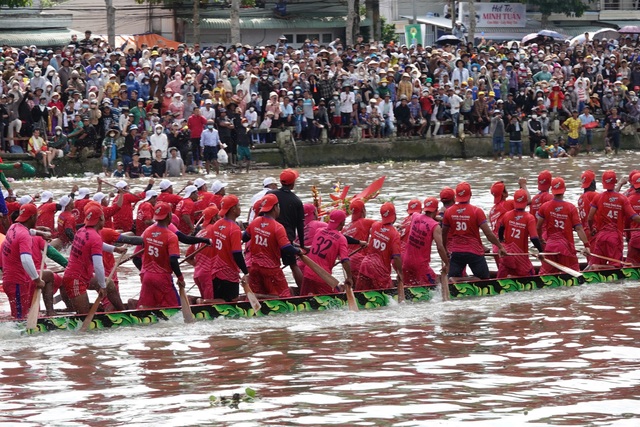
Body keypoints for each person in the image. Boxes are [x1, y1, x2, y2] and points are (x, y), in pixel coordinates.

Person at [62, 205, 126, 314]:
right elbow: (98, 266)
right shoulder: (95, 237)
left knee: (109, 283)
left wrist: (115, 249)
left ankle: (124, 312)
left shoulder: (82, 230)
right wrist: (102, 286)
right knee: (83, 316)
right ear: (101, 218)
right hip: (75, 279)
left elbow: (96, 244)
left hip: (83, 276)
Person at [442, 182, 506, 280]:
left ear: (457, 196)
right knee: (484, 279)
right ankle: (463, 279)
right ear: (470, 194)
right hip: (474, 251)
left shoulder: (448, 212)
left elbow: (444, 234)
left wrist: (445, 250)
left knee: (452, 278)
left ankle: (455, 279)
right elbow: (488, 234)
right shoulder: (476, 211)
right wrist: (500, 247)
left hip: (456, 251)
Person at [244, 194, 303, 298]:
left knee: (264, 294)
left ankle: (257, 296)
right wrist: (298, 251)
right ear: (276, 207)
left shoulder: (255, 222)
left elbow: (245, 237)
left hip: (254, 268)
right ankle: (258, 296)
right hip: (271, 270)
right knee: (284, 297)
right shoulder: (278, 227)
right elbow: (286, 248)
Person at [536, 177, 591, 274]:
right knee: (573, 275)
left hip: (550, 247)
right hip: (566, 248)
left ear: (552, 190)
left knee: (545, 275)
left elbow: (538, 227)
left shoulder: (545, 206)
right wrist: (586, 245)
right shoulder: (571, 208)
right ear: (564, 190)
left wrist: (540, 238)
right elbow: (578, 228)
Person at [587, 170, 640, 267]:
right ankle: (597, 267)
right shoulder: (622, 199)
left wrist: (592, 229)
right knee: (616, 266)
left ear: (603, 183)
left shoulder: (598, 197)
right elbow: (634, 217)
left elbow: (590, 218)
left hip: (601, 237)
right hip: (615, 237)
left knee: (595, 262)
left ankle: (595, 266)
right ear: (615, 182)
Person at [138, 202, 185, 308]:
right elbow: (173, 260)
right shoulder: (171, 236)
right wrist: (180, 277)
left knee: (146, 308)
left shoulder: (147, 231)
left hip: (146, 276)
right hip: (162, 278)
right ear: (169, 216)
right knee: (176, 310)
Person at [1, 204, 45, 319]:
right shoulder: (24, 236)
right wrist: (37, 279)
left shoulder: (14, 227)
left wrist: (41, 233)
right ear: (32, 217)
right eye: (36, 216)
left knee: (20, 315)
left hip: (10, 280)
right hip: (17, 283)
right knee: (20, 319)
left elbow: (27, 231)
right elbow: (26, 260)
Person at [268, 169, 305, 288]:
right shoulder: (296, 201)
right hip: (286, 239)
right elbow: (300, 226)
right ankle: (303, 291)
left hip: (269, 237)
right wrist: (302, 245)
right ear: (293, 183)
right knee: (293, 265)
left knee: (270, 264)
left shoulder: (270, 195)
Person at [301, 209, 353, 295]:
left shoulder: (319, 231)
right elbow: (345, 260)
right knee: (335, 302)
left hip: (307, 273)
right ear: (342, 223)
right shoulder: (341, 239)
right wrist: (349, 277)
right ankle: (340, 288)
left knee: (304, 299)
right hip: (323, 277)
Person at [209, 195, 249, 302]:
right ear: (233, 209)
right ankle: (203, 302)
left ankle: (204, 302)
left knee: (219, 302)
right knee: (232, 302)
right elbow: (237, 253)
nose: (240, 208)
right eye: (239, 206)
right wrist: (246, 272)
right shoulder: (234, 229)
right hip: (228, 274)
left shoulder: (216, 224)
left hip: (214, 272)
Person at [402, 197, 449, 287]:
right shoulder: (435, 226)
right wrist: (447, 263)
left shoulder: (415, 216)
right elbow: (440, 247)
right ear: (436, 210)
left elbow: (423, 218)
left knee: (409, 287)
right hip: (421, 266)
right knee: (436, 287)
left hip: (406, 263)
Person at [497, 189, 543, 278]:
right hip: (520, 257)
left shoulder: (507, 215)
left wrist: (501, 242)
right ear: (526, 202)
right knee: (531, 275)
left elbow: (500, 229)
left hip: (507, 255)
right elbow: (534, 238)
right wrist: (541, 251)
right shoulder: (529, 218)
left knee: (501, 277)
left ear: (514, 201)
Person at [357, 202, 403, 291]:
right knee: (389, 297)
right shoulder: (395, 234)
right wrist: (400, 273)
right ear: (394, 215)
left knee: (360, 294)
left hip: (365, 265)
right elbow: (397, 257)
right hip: (380, 270)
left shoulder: (375, 226)